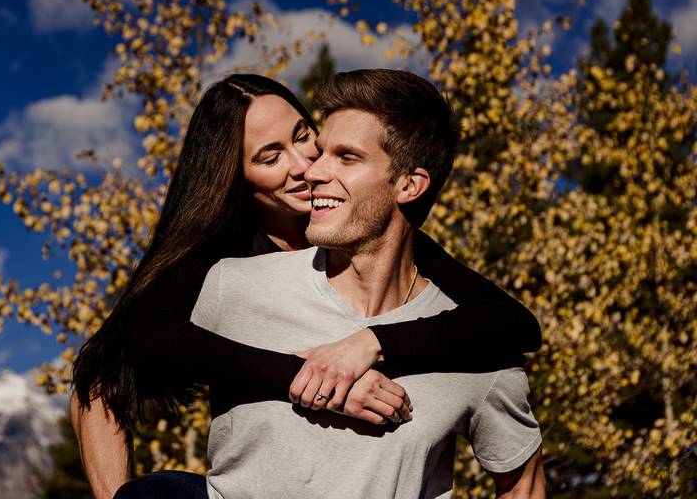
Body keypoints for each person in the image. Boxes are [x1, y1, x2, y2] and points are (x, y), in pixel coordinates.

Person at [69, 73, 541, 498]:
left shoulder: (390, 237)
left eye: (303, 136)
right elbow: (121, 359)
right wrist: (312, 380)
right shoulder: (222, 269)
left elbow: (511, 324)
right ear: (237, 178)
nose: (305, 165)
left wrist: (371, 343)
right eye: (271, 157)